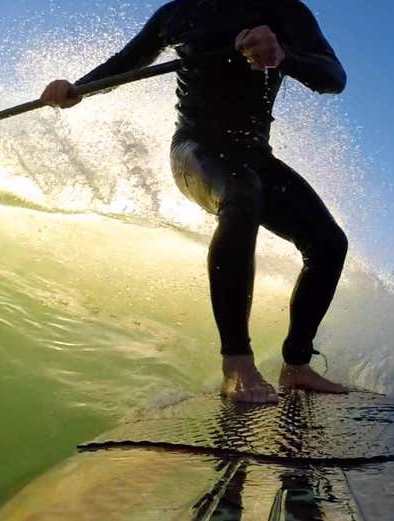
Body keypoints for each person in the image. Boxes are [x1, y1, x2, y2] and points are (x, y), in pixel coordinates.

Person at [41, 0, 349, 403]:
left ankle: (296, 365)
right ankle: (237, 364)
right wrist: (77, 88)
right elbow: (129, 61)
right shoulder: (179, 13)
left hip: (255, 156)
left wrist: (283, 56)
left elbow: (333, 77)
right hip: (195, 149)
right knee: (241, 195)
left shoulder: (286, 11)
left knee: (329, 244)